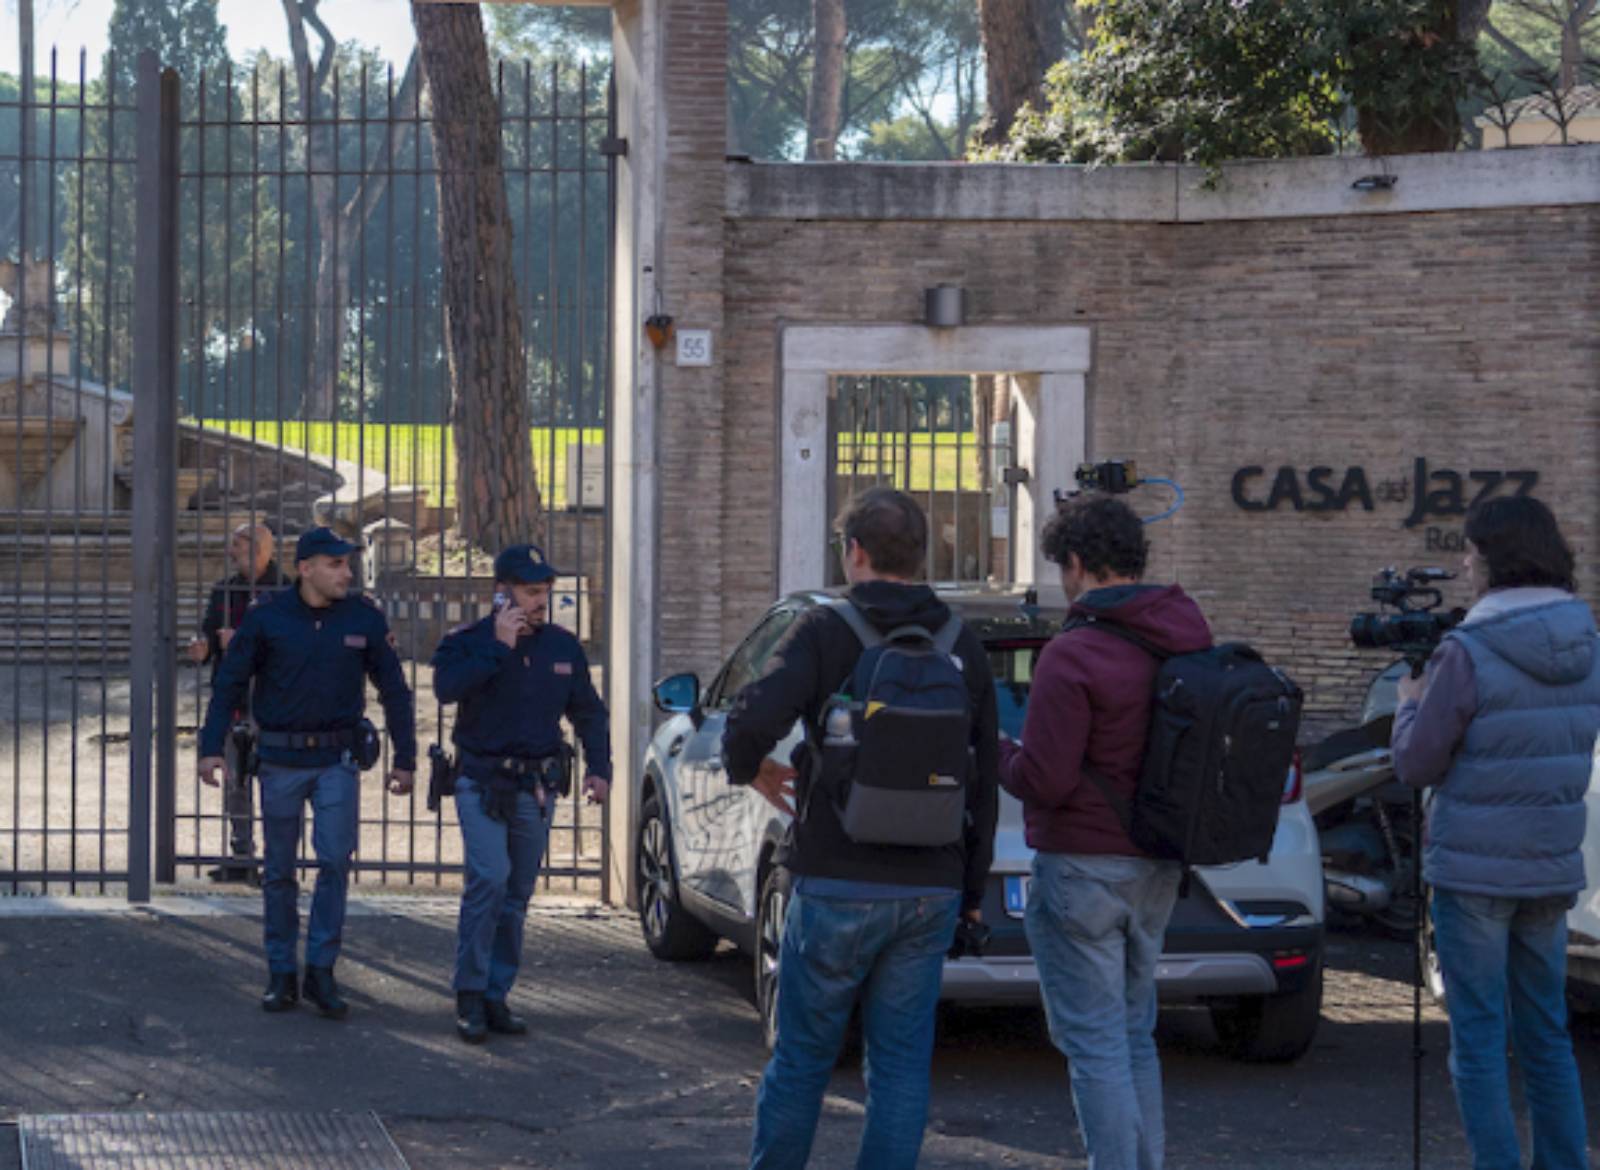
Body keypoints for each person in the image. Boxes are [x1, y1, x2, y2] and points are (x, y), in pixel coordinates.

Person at [723, 487, 1000, 1170]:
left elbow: (750, 717)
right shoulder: (962, 642)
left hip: (835, 878)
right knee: (901, 1069)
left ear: (854, 552)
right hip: (930, 889)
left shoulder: (824, 630)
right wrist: (968, 892)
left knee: (802, 1063)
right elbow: (985, 780)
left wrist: (749, 767)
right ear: (920, 555)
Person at [998, 493, 1211, 1170]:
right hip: (1157, 866)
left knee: (1093, 1046)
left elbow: (1047, 779)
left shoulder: (1073, 653)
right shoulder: (1186, 634)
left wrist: (1001, 752)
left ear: (1080, 563)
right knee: (1132, 1036)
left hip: (1083, 867)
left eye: (1062, 565)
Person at [1391, 495, 1595, 1170]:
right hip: (1550, 863)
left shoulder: (1470, 651)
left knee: (1478, 1041)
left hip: (1473, 874)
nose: (1465, 563)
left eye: (1471, 551)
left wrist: (1407, 708)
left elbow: (1418, 763)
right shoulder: (1586, 640)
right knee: (1547, 1036)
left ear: (1494, 559)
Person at [197, 526, 417, 1019]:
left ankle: (321, 970)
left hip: (337, 761)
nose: (347, 572)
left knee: (335, 862)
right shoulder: (267, 618)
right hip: (279, 761)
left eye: (348, 563)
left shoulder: (364, 617)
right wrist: (210, 748)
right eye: (335, 564)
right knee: (278, 872)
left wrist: (406, 759)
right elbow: (230, 683)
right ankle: (281, 974)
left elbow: (395, 691)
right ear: (306, 569)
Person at [431, 543, 612, 1044]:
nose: (540, 601)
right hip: (481, 781)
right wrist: (498, 647)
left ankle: (495, 993)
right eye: (531, 592)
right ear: (501, 593)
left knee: (516, 896)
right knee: (489, 878)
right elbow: (446, 688)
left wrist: (600, 768)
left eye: (545, 592)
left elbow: (589, 713)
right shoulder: (468, 641)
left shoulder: (561, 646)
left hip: (536, 786)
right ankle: (469, 994)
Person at [187, 522, 289, 883]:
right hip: (232, 697)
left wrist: (243, 641)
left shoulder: (287, 591)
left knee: (278, 781)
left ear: (261, 550)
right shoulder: (224, 591)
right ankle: (242, 855)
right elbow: (210, 633)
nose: (231, 552)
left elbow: (292, 646)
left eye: (238, 545)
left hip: (274, 699)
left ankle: (279, 858)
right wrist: (203, 646)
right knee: (235, 779)